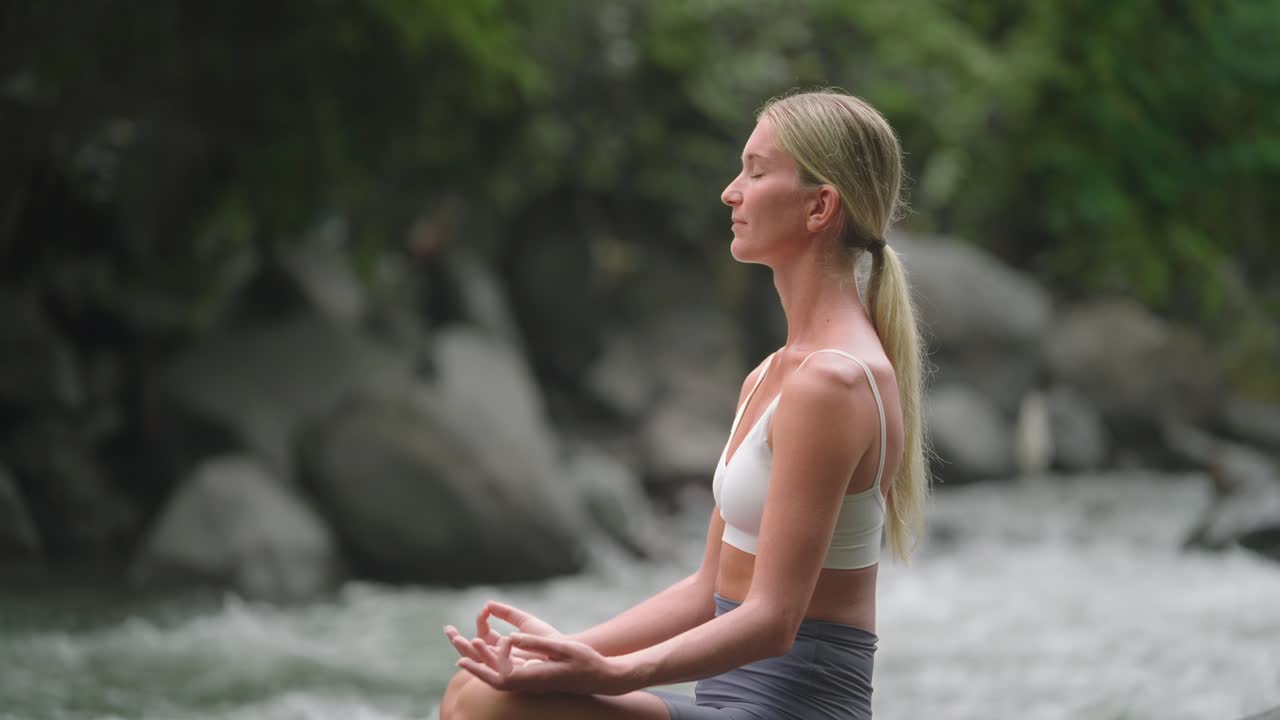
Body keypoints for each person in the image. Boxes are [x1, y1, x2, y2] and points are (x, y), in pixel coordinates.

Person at [439, 88, 929, 720]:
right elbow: (708, 591)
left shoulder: (831, 383)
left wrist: (614, 674)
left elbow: (773, 621)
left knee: (488, 709)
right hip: (726, 702)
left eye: (755, 172)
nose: (731, 192)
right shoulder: (770, 376)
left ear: (819, 206)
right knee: (478, 688)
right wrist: (557, 654)